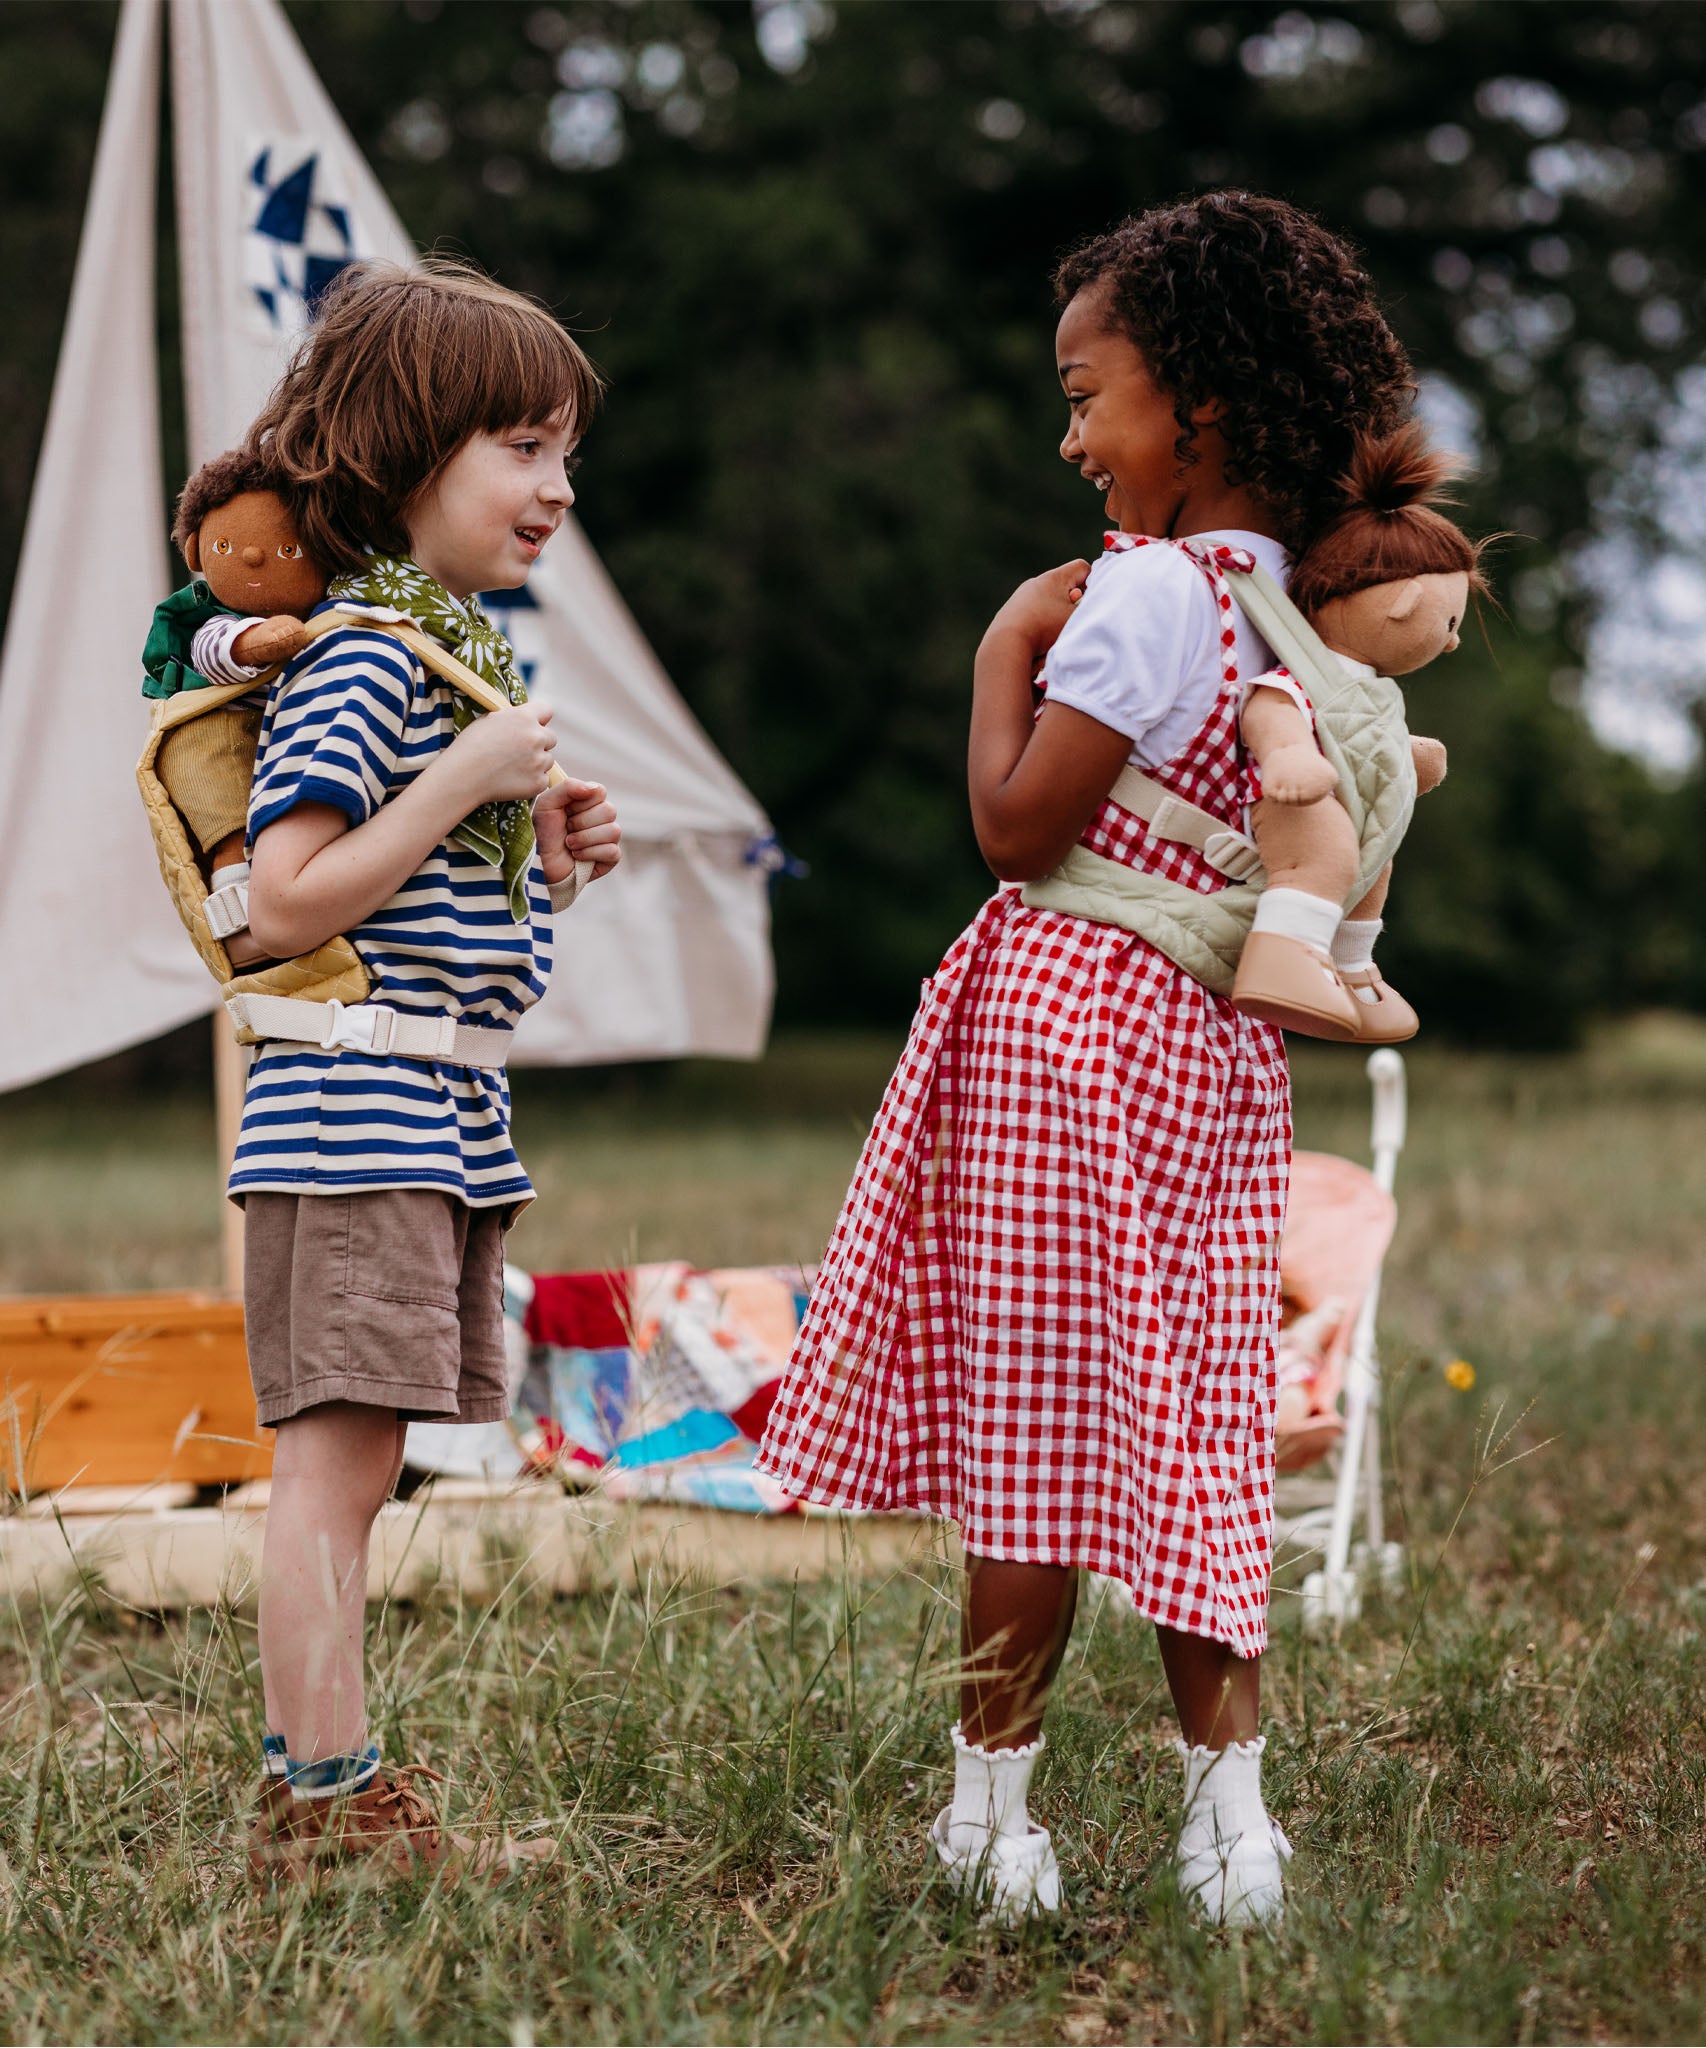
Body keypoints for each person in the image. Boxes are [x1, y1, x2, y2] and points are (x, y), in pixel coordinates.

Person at [756, 192, 1416, 1926]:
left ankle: (991, 1818)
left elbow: (1015, 826)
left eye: (1084, 396)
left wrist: (999, 648)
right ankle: (1229, 1826)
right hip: (1211, 1047)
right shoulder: (1298, 613)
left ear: (1195, 405)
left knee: (1033, 1428)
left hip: (1065, 1031)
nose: (1069, 439)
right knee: (1199, 1414)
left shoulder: (1138, 596)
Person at [232, 258, 621, 1878]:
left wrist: (545, 855)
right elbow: (284, 902)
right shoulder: (366, 657)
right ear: (406, 453)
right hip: (353, 1109)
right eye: (521, 448)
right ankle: (325, 1799)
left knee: (366, 1460)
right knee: (333, 1467)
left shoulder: (445, 656)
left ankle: (329, 1778)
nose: (556, 486)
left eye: (564, 454)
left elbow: (422, 910)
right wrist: (461, 776)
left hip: (429, 1108)